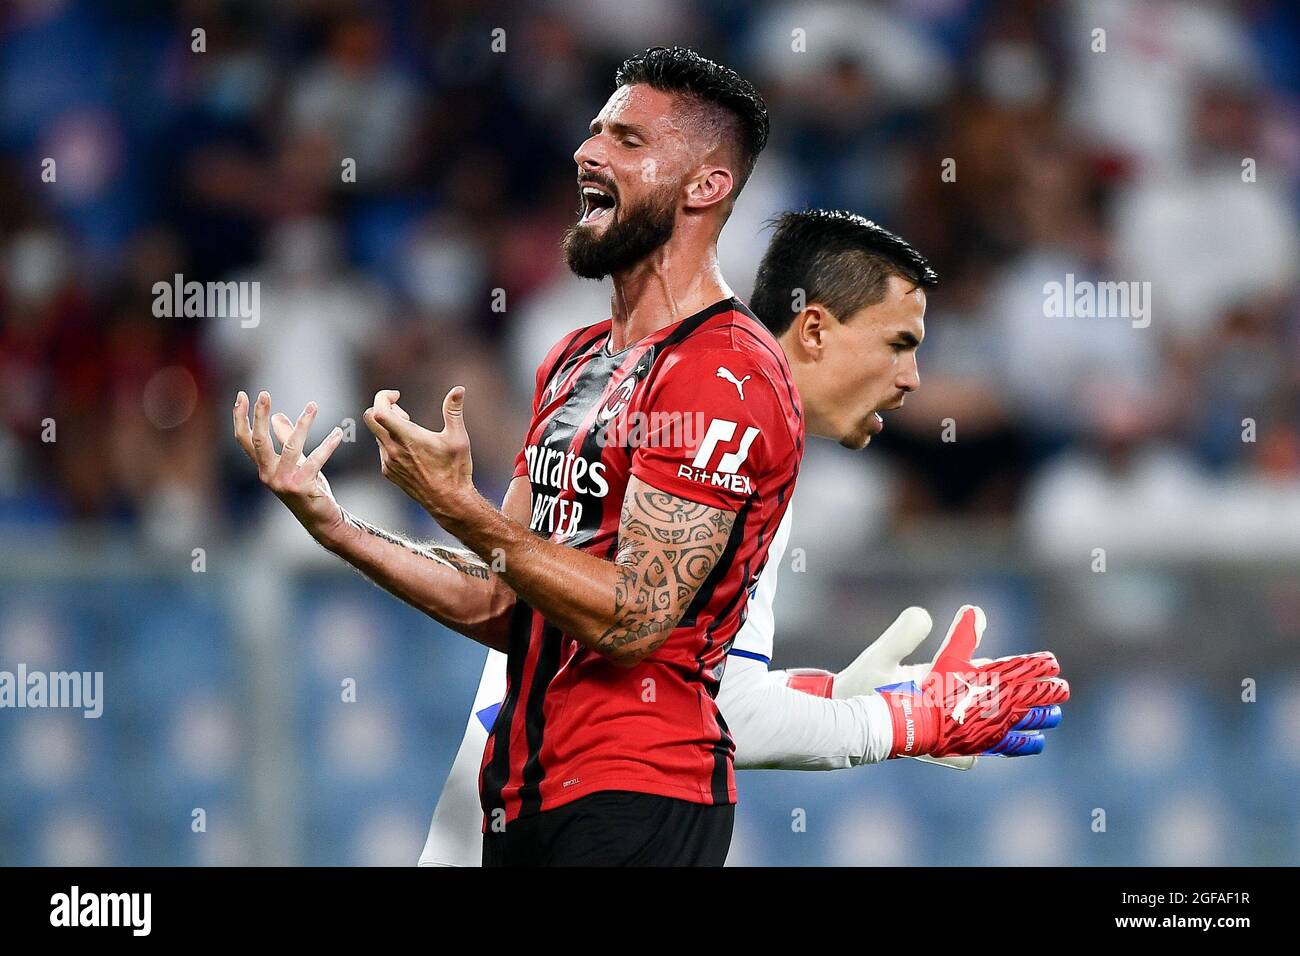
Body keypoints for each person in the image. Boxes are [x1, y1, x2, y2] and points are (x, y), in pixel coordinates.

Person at [418, 209, 1067, 866]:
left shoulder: (675, 387)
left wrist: (836, 695)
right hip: (568, 822)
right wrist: (902, 723)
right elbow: (717, 713)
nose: (912, 378)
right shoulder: (728, 433)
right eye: (898, 344)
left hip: (508, 813)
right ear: (814, 328)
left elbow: (684, 686)